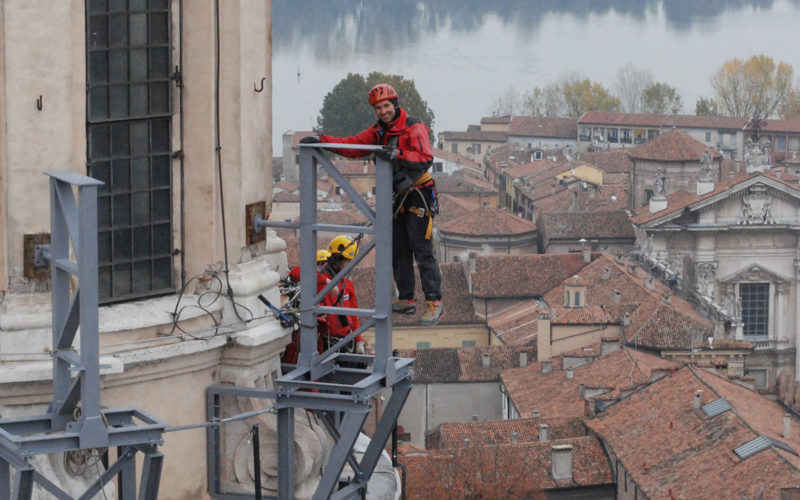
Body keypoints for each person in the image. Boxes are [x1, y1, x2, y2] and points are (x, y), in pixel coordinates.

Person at [300, 83, 444, 325]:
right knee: (398, 249)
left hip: (419, 192)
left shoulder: (413, 126)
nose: (383, 111)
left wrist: (397, 154)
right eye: (378, 108)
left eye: (386, 106)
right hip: (398, 195)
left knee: (421, 248)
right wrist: (321, 140)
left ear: (395, 104)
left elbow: (425, 158)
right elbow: (353, 146)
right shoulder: (379, 131)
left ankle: (435, 302)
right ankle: (407, 299)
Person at [319, 235, 365, 355]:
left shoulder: (347, 283)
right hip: (327, 343)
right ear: (337, 259)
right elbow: (296, 272)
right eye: (348, 262)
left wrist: (358, 340)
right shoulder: (320, 279)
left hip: (347, 340)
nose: (350, 266)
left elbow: (354, 312)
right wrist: (326, 282)